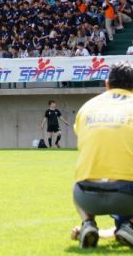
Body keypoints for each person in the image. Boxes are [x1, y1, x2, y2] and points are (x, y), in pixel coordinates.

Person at [71, 61, 133, 249]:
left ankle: (88, 223)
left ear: (107, 84)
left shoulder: (87, 107)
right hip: (127, 196)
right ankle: (130, 226)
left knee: (81, 173)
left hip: (86, 195)